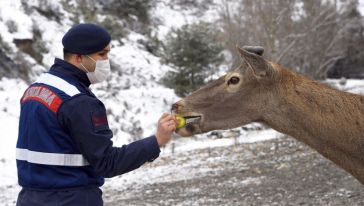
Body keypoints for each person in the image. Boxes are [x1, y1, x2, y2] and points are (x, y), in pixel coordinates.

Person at [15, 23, 177, 206]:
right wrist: (157, 140)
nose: (106, 60)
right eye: (101, 54)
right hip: (71, 199)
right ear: (78, 58)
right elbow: (107, 162)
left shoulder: (35, 89)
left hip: (29, 198)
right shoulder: (78, 101)